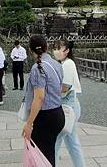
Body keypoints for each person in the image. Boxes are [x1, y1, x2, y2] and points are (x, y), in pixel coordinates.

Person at [21, 35, 65, 166]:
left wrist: (29, 123)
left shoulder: (37, 68)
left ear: (30, 50)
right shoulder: (56, 64)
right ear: (47, 47)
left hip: (45, 116)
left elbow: (39, 98)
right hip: (58, 113)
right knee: (48, 154)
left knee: (40, 156)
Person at [53, 40, 85, 167]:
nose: (56, 51)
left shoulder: (67, 64)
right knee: (72, 142)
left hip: (68, 105)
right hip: (70, 105)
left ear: (67, 51)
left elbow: (65, 88)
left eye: (59, 48)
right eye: (54, 48)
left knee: (56, 141)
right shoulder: (64, 63)